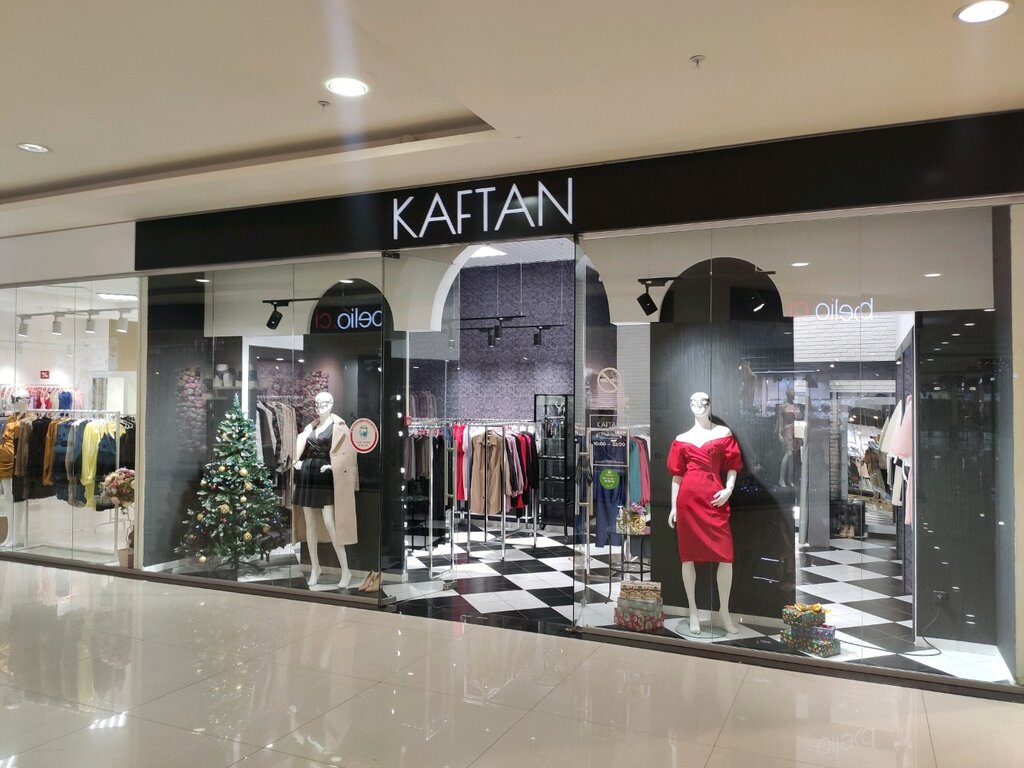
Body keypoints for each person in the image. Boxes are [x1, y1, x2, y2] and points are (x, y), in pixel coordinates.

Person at [667, 392, 743, 635]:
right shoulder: (682, 439)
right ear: (689, 405)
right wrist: (673, 506)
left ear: (710, 405)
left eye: (704, 402)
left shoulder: (723, 433)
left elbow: (732, 466)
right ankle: (692, 611)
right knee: (687, 556)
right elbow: (677, 475)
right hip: (688, 501)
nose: (699, 406)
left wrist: (729, 489)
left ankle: (724, 611)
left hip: (714, 499)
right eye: (694, 402)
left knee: (725, 556)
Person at [292, 391, 360, 589]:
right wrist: (297, 462)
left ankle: (346, 570)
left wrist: (333, 466)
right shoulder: (311, 427)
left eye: (324, 403)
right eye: (317, 403)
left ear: (331, 403)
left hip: (326, 477)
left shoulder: (340, 427)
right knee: (309, 523)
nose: (320, 407)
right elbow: (301, 450)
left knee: (330, 522)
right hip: (307, 474)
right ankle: (315, 568)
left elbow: (349, 455)